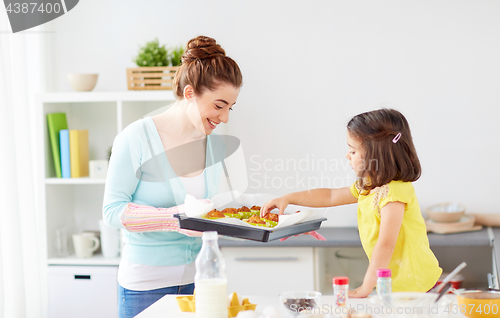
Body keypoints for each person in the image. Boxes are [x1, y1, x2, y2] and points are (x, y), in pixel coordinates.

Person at [102, 35, 243, 318]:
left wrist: (278, 220)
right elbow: (113, 211)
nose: (225, 117)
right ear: (190, 93)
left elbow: (213, 209)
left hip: (199, 284)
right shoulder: (136, 137)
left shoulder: (212, 144)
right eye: (219, 105)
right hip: (145, 287)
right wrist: (176, 218)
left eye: (230, 107)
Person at [261, 108, 442, 297]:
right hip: (394, 284)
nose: (347, 155)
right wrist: (288, 198)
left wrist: (365, 287)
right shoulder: (369, 185)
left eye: (353, 150)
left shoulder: (394, 193)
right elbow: (330, 196)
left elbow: (386, 244)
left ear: (377, 154)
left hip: (416, 285)